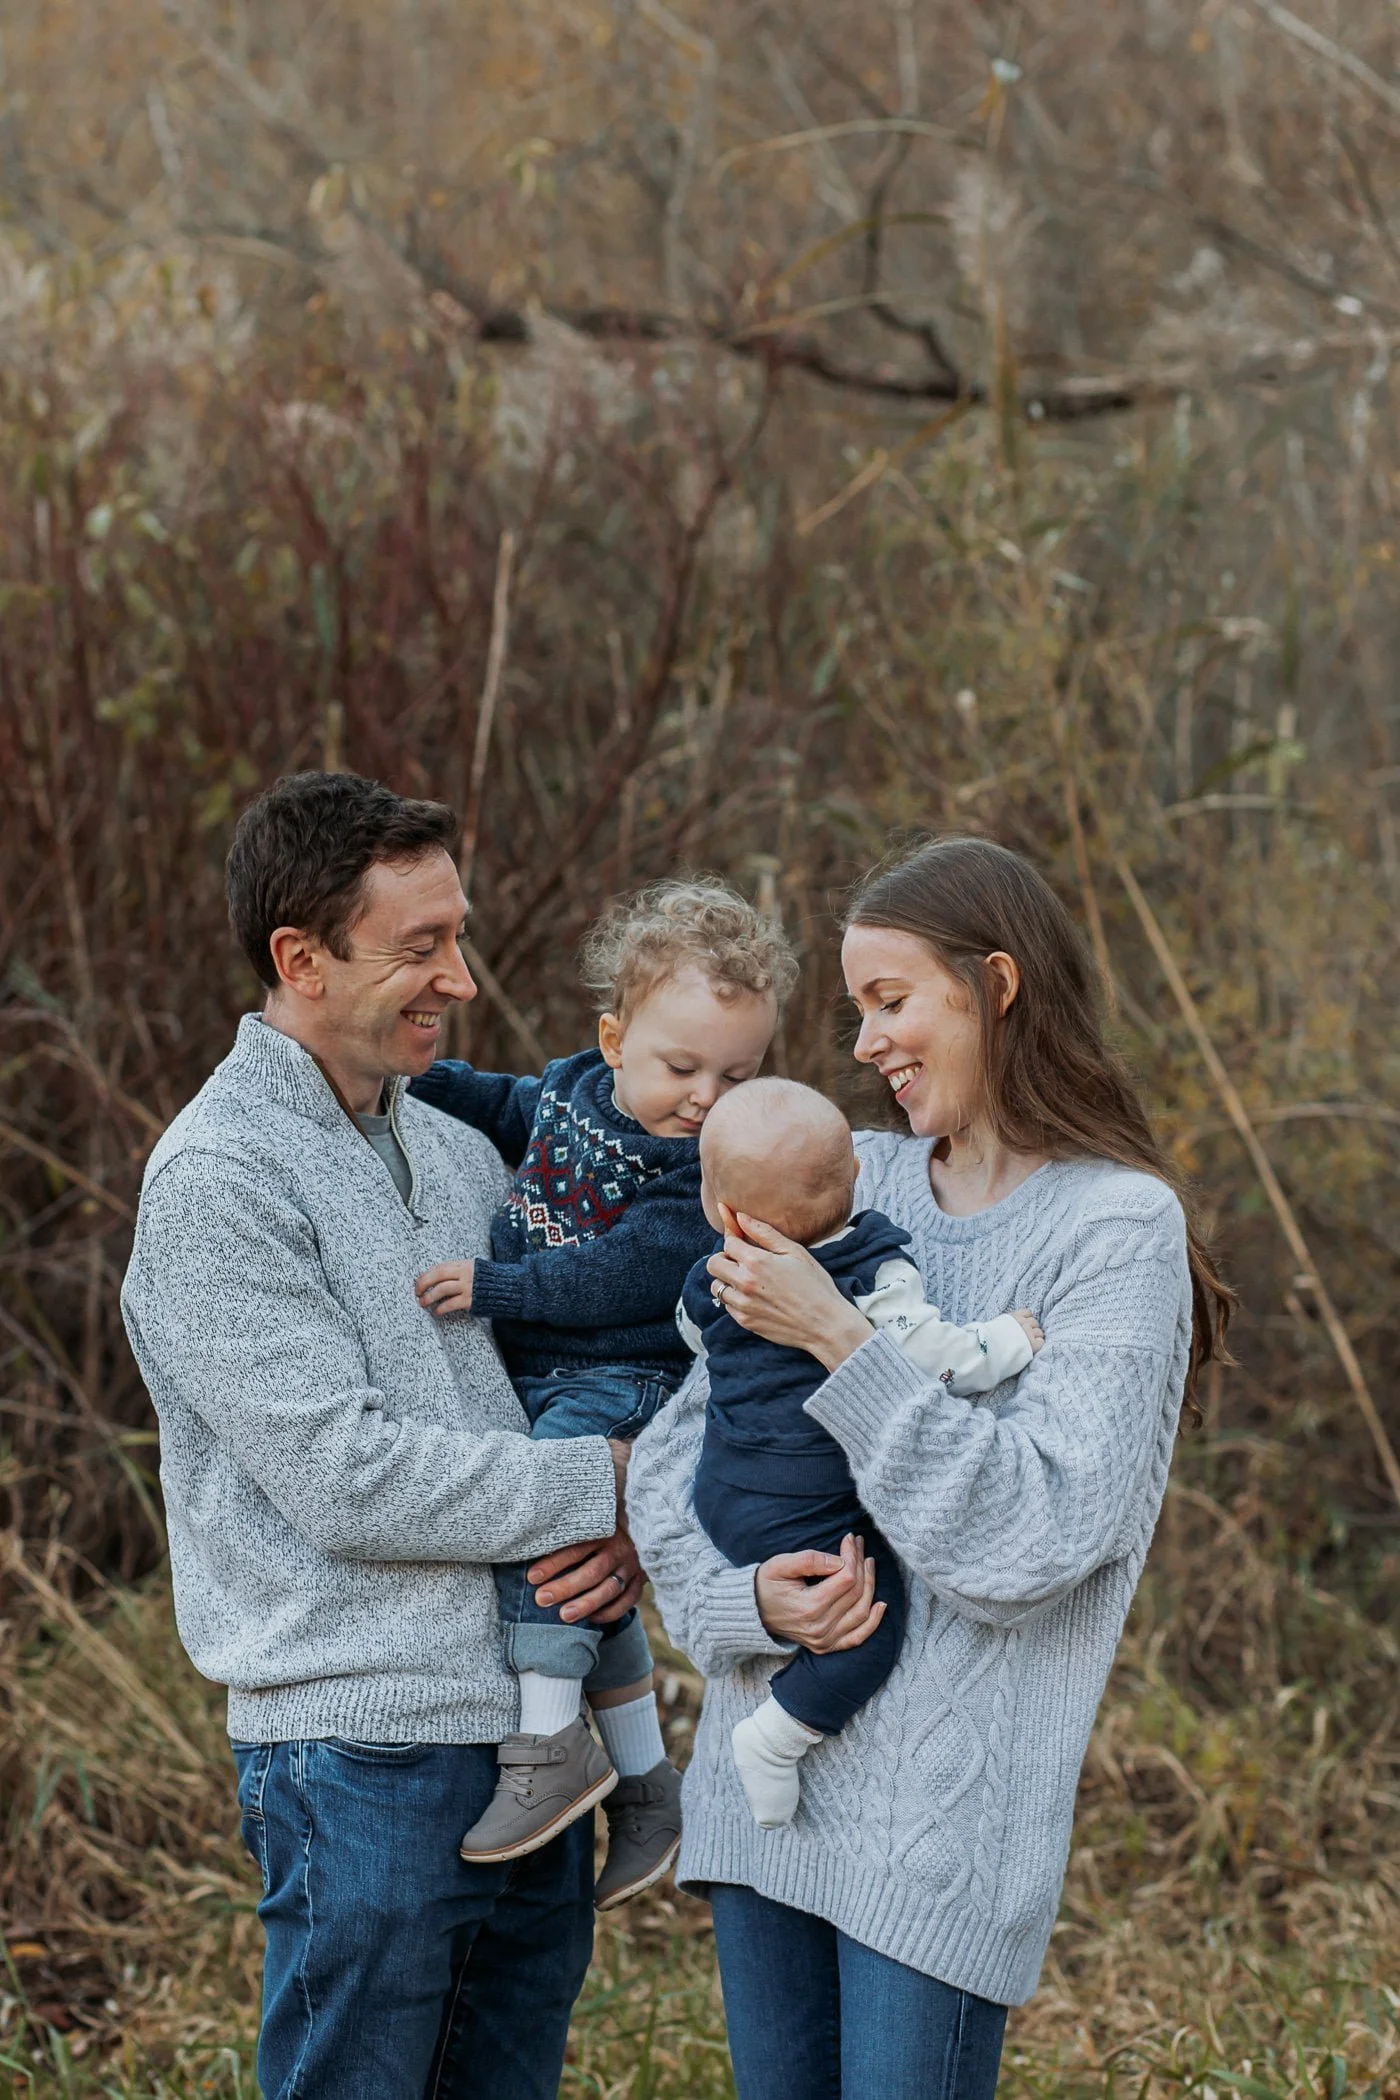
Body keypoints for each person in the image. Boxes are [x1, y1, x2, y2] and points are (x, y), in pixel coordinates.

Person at [626, 835, 1234, 2100]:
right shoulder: (844, 1177)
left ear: (994, 984)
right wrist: (740, 1606)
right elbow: (678, 1448)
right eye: (854, 1012)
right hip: (762, 1805)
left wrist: (842, 1341)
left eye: (888, 1001)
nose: (861, 1045)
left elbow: (1032, 1545)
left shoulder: (1115, 1230)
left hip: (936, 1849)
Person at [120, 770, 644, 2100]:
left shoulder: (459, 1150)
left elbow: (585, 1358)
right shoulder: (218, 1180)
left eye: (456, 938)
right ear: (301, 959)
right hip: (360, 1760)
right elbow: (345, 1479)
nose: (458, 980)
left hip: (534, 1740)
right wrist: (606, 1486)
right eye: (420, 948)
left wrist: (633, 1519)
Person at [410, 881, 794, 1904]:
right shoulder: (571, 1094)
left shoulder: (695, 1180)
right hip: (547, 1371)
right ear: (613, 1040)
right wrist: (414, 1081)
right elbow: (502, 1104)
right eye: (681, 1066)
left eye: (737, 1074)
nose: (707, 1096)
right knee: (586, 1571)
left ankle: (545, 1746)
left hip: (624, 1376)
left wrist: (495, 1285)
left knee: (544, 1515)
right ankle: (644, 1782)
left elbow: (613, 1277)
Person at [676, 1076, 1041, 1827]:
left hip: (720, 1493)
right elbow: (936, 1358)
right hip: (808, 1501)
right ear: (858, 1175)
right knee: (868, 1622)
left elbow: (694, 1339)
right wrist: (1008, 1338)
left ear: (719, 1209)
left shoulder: (714, 1275)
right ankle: (779, 1736)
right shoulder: (873, 1268)